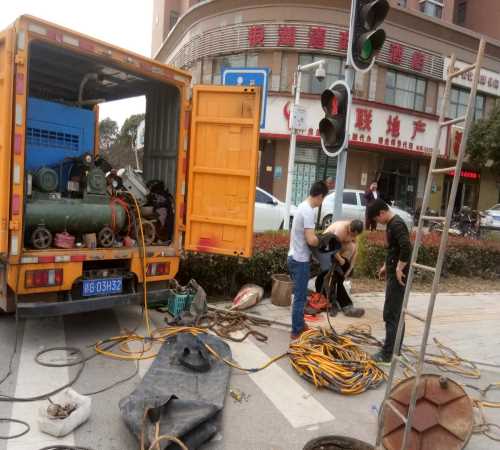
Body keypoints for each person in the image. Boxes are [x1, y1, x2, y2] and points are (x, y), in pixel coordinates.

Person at [366, 199, 412, 363]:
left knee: (391, 313)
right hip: (393, 272)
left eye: (376, 219)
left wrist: (399, 269)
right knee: (396, 313)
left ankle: (387, 354)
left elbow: (406, 247)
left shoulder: (396, 224)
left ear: (382, 213)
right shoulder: (392, 224)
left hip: (398, 276)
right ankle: (395, 348)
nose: (377, 223)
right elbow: (395, 248)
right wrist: (387, 265)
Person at [287, 181, 329, 340]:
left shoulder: (302, 206)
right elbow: (311, 240)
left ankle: (299, 323)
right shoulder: (309, 211)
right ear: (319, 196)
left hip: (293, 256)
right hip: (300, 260)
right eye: (322, 199)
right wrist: (322, 241)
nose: (321, 203)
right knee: (300, 297)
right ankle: (297, 331)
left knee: (300, 295)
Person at [313, 220, 365, 317]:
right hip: (325, 249)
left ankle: (337, 302)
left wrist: (350, 267)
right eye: (352, 234)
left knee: (351, 247)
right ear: (349, 227)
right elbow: (332, 247)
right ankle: (344, 305)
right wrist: (340, 260)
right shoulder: (341, 229)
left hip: (336, 252)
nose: (353, 237)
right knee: (335, 275)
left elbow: (355, 251)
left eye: (355, 236)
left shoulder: (353, 234)